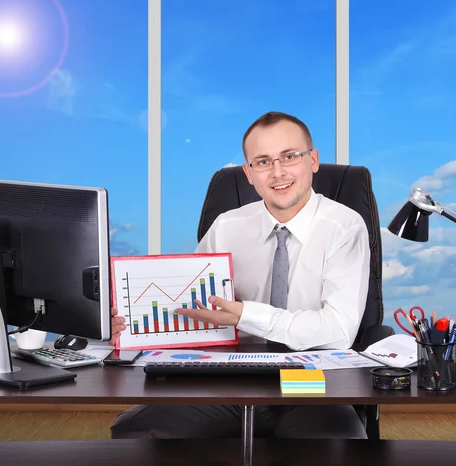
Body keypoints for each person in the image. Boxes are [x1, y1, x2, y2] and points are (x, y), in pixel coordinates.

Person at [110, 111, 371, 439]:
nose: (277, 172)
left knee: (335, 449)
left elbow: (338, 332)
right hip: (233, 378)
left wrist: (247, 315)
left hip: (313, 383)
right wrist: (132, 325)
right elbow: (189, 306)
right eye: (262, 162)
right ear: (249, 173)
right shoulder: (227, 226)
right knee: (134, 433)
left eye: (289, 157)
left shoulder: (344, 227)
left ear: (313, 160)